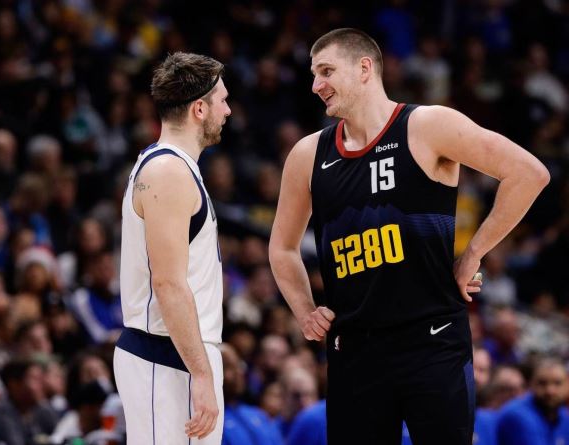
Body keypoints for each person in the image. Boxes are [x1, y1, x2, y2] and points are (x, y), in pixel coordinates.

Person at [269, 28, 550, 445]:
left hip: (432, 340)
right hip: (355, 350)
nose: (316, 85)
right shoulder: (308, 154)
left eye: (326, 71)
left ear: (364, 68)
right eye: (313, 74)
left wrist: (473, 254)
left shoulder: (427, 125)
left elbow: (529, 174)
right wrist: (304, 310)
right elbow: (282, 247)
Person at [113, 51, 231, 444]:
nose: (228, 110)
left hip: (179, 354)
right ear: (200, 109)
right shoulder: (168, 172)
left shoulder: (176, 168)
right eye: (222, 101)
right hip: (165, 356)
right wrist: (201, 373)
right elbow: (168, 284)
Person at [496, 357, 569, 445]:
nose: (550, 391)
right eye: (542, 383)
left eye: (557, 383)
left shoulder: (564, 415)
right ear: (530, 384)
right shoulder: (517, 415)